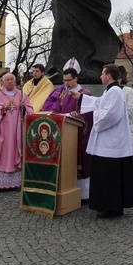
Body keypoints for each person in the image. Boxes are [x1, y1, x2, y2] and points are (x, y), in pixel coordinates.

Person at [70, 64, 133, 217]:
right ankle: (110, 206)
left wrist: (95, 117)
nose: (101, 76)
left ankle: (112, 207)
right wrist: (81, 97)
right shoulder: (110, 91)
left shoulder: (115, 92)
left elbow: (111, 115)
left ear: (109, 76)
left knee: (110, 177)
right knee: (108, 176)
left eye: (103, 73)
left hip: (111, 145)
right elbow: (99, 103)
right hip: (108, 144)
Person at [42, 67, 94, 200]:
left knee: (81, 161)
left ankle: (84, 194)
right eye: (64, 80)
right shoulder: (63, 94)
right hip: (65, 133)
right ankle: (68, 190)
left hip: (81, 133)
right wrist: (56, 114)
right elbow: (56, 108)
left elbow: (87, 113)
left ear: (76, 78)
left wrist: (67, 115)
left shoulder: (86, 94)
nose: (66, 83)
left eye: (69, 80)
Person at [0, 73, 34, 192]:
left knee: (16, 152)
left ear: (15, 82)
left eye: (12, 80)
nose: (10, 82)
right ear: (2, 82)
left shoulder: (21, 95)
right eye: (7, 80)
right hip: (0, 132)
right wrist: (3, 107)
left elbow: (31, 111)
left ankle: (16, 183)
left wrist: (23, 108)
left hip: (16, 131)